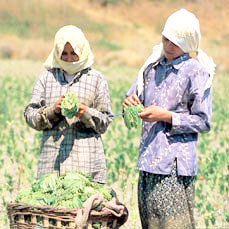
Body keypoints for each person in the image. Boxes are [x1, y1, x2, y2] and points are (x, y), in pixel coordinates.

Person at [122, 9, 215, 229]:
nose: (169, 45)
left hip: (174, 165)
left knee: (174, 225)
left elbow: (203, 121)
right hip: (147, 161)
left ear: (188, 41)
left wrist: (167, 116)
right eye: (166, 38)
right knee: (151, 224)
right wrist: (129, 105)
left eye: (176, 41)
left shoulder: (196, 72)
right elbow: (132, 100)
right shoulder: (151, 68)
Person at [24, 25, 113, 184]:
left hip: (86, 163)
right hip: (52, 164)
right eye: (64, 54)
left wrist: (85, 112)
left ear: (82, 51)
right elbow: (30, 116)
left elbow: (105, 122)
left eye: (74, 53)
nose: (69, 58)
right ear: (57, 53)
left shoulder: (96, 79)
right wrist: (54, 110)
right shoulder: (46, 78)